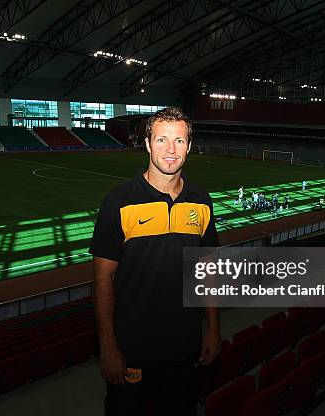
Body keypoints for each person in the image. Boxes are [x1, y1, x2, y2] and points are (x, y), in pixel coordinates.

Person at [89, 107, 221, 416]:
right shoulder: (118, 201)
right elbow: (102, 281)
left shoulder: (201, 201)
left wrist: (213, 328)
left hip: (185, 348)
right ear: (147, 144)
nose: (171, 150)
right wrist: (108, 346)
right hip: (133, 350)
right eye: (162, 139)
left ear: (189, 146)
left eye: (179, 140)